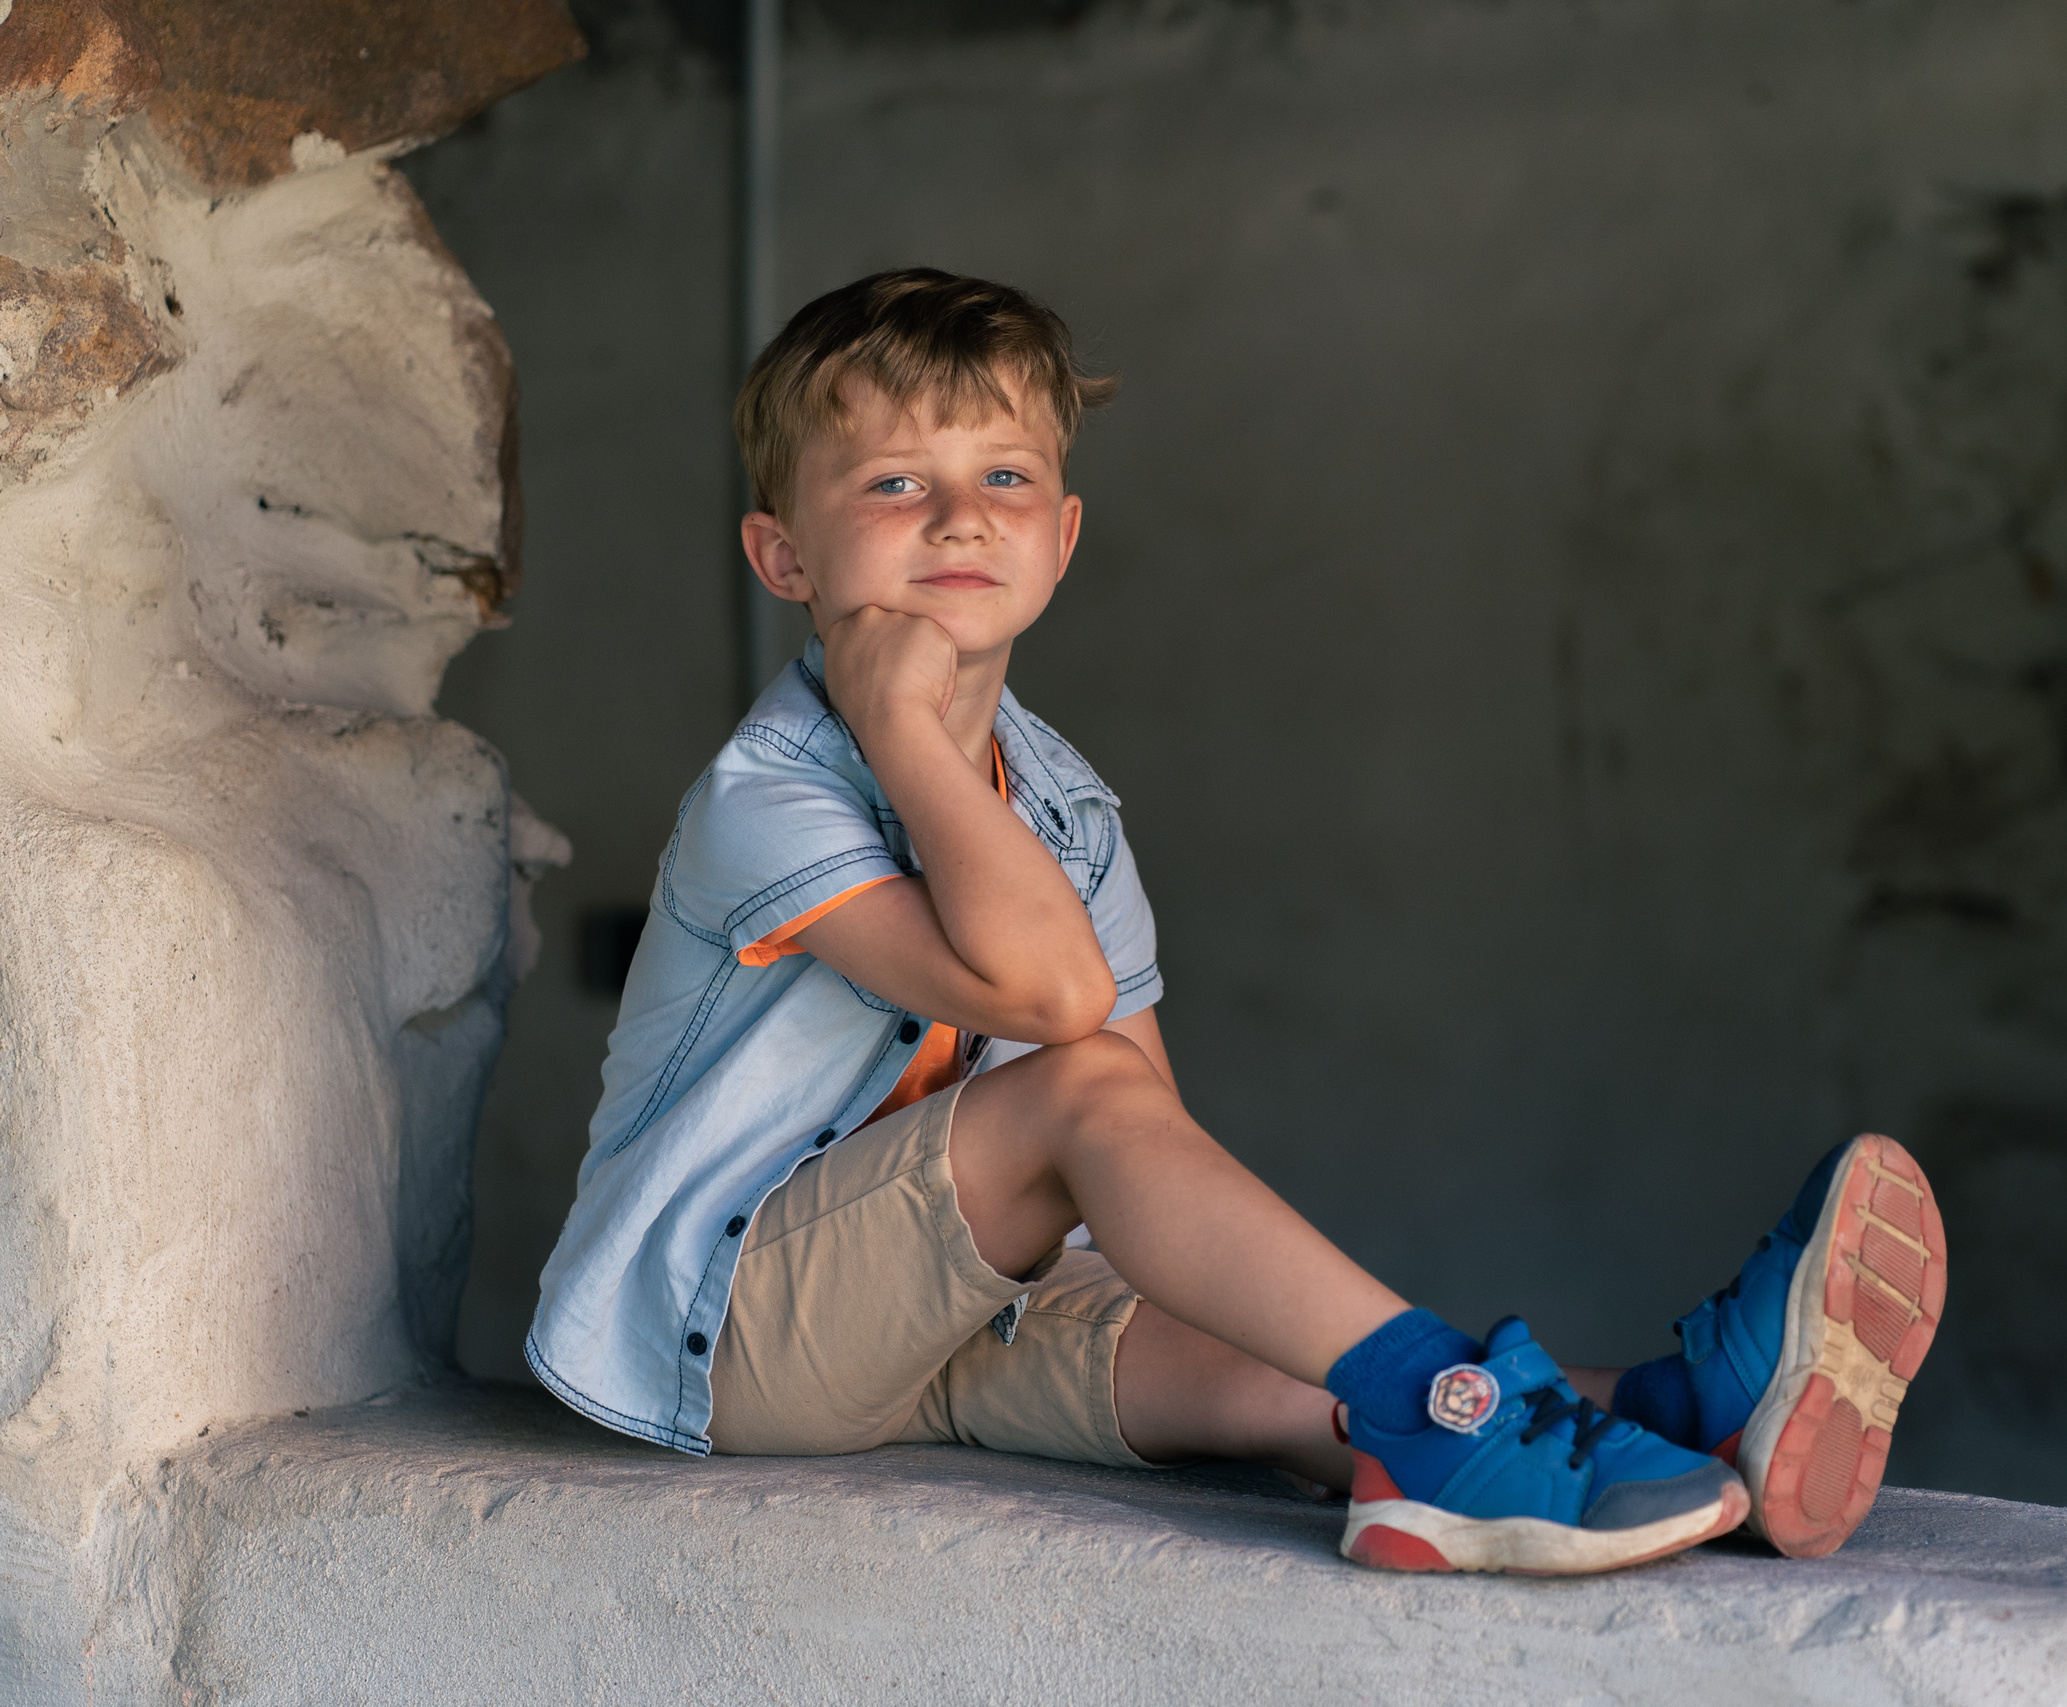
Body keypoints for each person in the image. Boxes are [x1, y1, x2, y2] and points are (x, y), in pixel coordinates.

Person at [526, 268, 1947, 1573]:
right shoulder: (767, 796)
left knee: (1279, 1377)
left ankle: (1660, 1409)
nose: (961, 516)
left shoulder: (1068, 808)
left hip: (951, 1307)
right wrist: (897, 716)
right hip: (731, 1336)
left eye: (1005, 475)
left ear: (1063, 537)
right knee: (1087, 1096)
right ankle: (1443, 1410)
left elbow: (1144, 1138)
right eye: (896, 481)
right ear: (784, 559)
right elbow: (1058, 1016)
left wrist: (1185, 1328)